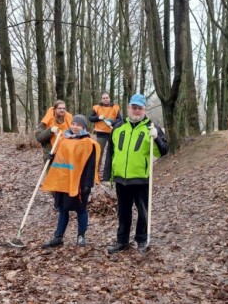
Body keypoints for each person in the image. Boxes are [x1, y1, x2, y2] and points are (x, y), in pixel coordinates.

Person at [103, 93, 168, 254]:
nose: (136, 111)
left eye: (140, 108)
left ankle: (141, 239)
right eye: (134, 107)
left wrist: (157, 138)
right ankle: (122, 240)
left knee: (143, 212)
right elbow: (111, 152)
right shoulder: (118, 127)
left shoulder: (151, 128)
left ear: (144, 109)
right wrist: (107, 176)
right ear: (128, 107)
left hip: (141, 179)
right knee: (123, 212)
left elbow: (164, 151)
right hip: (121, 179)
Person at [41, 114, 100, 248]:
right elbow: (62, 159)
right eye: (73, 124)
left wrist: (87, 184)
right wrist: (52, 157)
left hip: (80, 182)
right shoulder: (64, 140)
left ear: (84, 127)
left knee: (81, 209)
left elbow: (91, 166)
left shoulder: (88, 143)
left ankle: (81, 236)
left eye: (78, 125)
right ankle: (58, 237)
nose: (75, 127)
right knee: (62, 209)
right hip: (64, 181)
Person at [89, 93, 122, 173]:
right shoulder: (96, 108)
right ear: (101, 99)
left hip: (112, 133)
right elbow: (90, 118)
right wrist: (98, 117)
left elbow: (120, 119)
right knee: (99, 153)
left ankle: (111, 173)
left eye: (106, 98)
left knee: (113, 153)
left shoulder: (115, 107)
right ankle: (96, 173)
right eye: (103, 98)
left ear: (109, 98)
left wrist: (112, 122)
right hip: (101, 133)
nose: (105, 99)